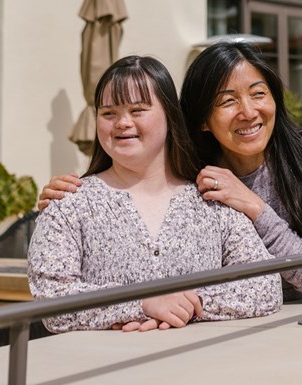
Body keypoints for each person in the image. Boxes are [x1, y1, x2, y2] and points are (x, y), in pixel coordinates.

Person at [39, 41, 302, 302]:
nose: (249, 112)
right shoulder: (195, 174)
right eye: (228, 101)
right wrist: (68, 196)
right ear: (202, 121)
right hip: (223, 326)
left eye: (258, 94)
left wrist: (253, 206)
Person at [27, 55, 282, 334]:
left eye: (138, 110)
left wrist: (188, 302)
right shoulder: (68, 204)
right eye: (108, 113)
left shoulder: (213, 200)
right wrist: (142, 302)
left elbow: (266, 286)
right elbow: (51, 298)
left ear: (170, 117)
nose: (123, 123)